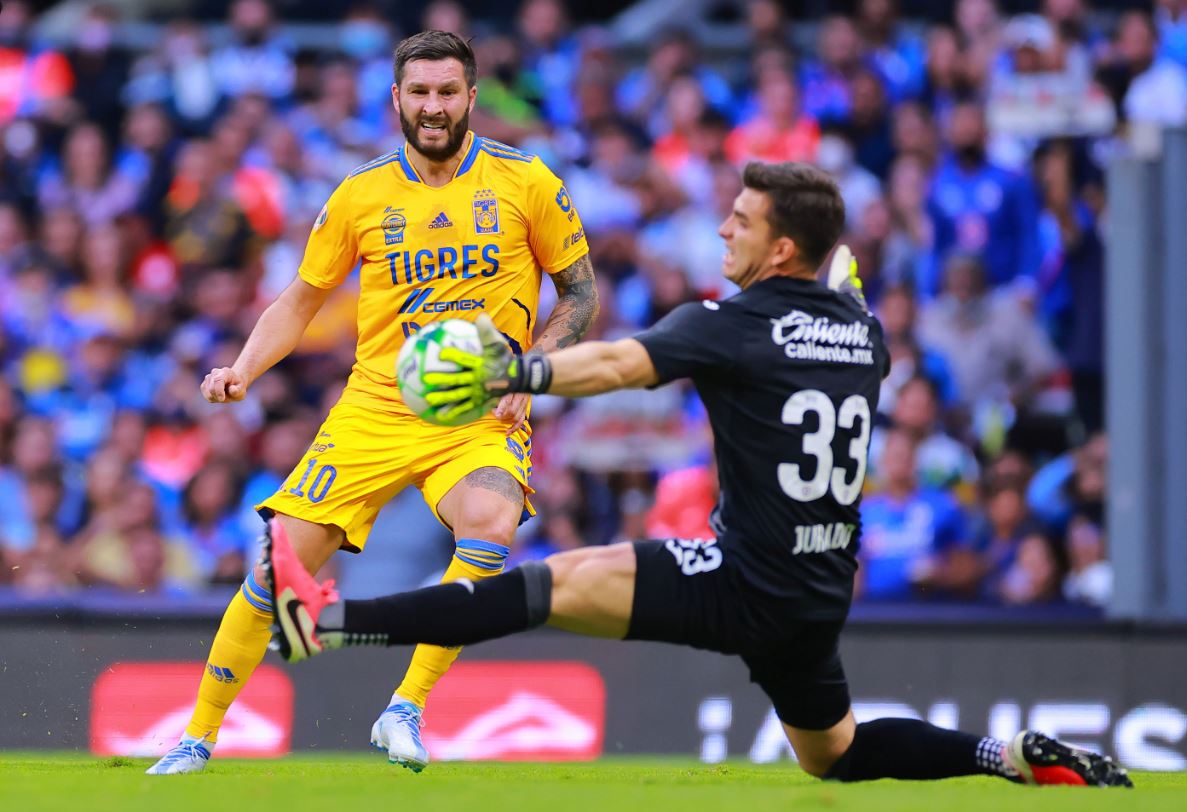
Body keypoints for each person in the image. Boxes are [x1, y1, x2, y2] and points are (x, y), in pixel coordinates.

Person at [266, 163, 1130, 788]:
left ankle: (329, 622)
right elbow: (843, 282)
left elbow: (608, 367)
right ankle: (1001, 758)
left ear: (780, 246)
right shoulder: (865, 337)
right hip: (819, 590)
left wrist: (512, 374)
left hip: (742, 578)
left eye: (741, 221)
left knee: (541, 585)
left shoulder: (732, 325)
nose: (723, 229)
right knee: (835, 753)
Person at [146, 30, 598, 775]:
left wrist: (533, 371)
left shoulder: (527, 181)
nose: (432, 107)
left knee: (488, 523)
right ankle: (196, 737)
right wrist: (244, 368)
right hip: (376, 408)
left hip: (477, 409)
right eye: (418, 92)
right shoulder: (360, 193)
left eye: (447, 92)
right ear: (395, 99)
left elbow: (579, 291)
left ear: (471, 98)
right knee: (277, 570)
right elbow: (300, 299)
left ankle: (405, 708)